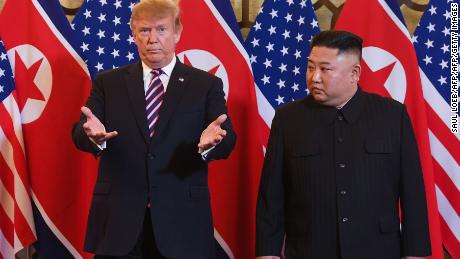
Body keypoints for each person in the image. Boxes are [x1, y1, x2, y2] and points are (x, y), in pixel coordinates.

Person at [72, 0, 236, 258]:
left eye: (161, 29)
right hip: (119, 223)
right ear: (133, 35)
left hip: (183, 223)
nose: (152, 39)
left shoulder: (205, 85)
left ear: (177, 33)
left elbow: (228, 139)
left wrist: (212, 143)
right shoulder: (108, 83)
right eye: (144, 31)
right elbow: (82, 131)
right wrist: (92, 136)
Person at [255, 30, 431, 259]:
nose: (314, 77)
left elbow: (412, 191)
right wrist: (266, 254)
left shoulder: (392, 115)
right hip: (309, 250)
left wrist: (415, 254)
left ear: (354, 73)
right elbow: (272, 196)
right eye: (310, 67)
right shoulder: (288, 119)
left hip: (378, 250)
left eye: (325, 69)